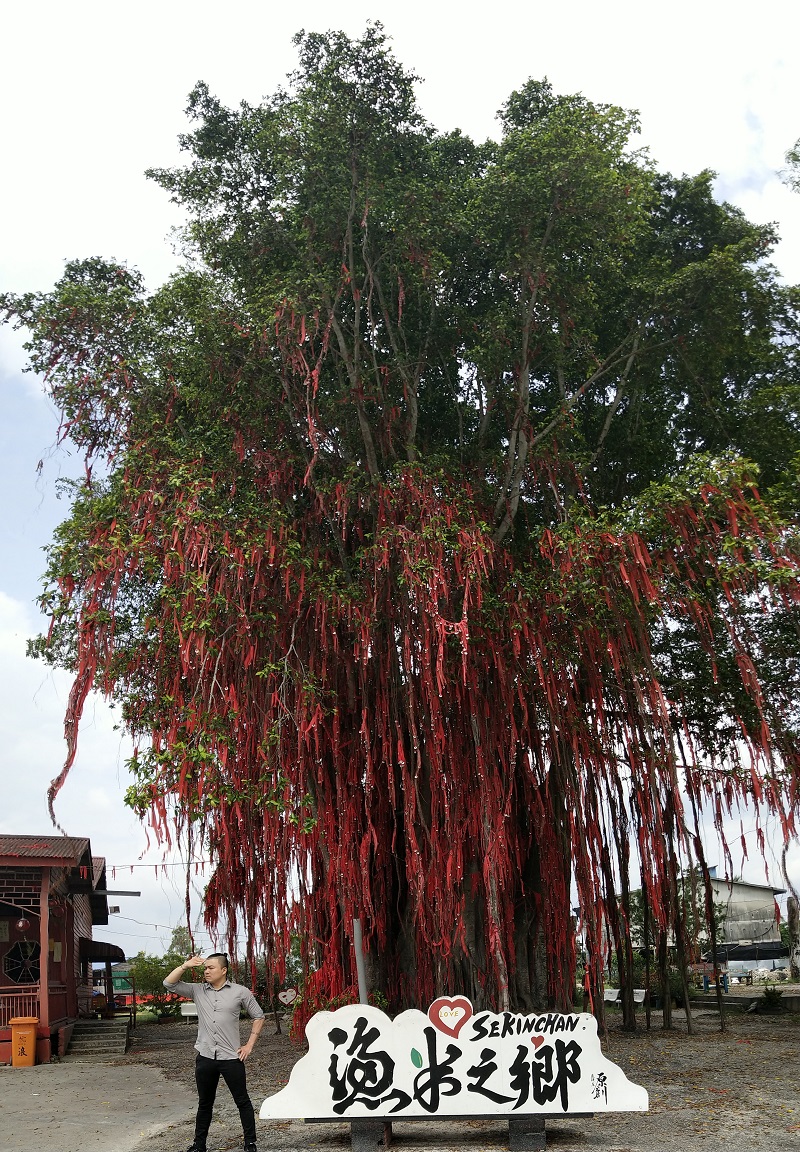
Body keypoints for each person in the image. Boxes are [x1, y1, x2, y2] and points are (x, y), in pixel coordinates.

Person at [164, 952, 265, 1152]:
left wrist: (249, 1045)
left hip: (231, 1057)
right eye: (205, 968)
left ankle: (250, 1143)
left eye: (211, 968)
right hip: (206, 1056)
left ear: (224, 970)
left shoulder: (240, 992)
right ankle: (199, 1145)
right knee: (205, 1103)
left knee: (242, 1100)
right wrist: (185, 965)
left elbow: (259, 1016)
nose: (206, 971)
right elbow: (169, 983)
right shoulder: (198, 990)